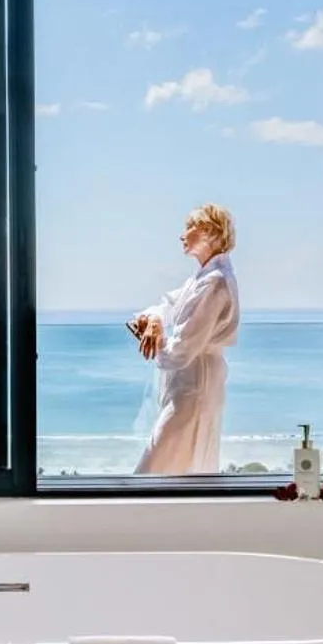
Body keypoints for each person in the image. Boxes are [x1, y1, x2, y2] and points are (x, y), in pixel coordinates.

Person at [131, 204, 240, 476]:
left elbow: (179, 351)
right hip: (188, 386)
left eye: (188, 227)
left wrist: (155, 341)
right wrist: (154, 321)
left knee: (152, 471)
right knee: (177, 473)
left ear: (208, 232)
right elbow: (166, 304)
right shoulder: (201, 279)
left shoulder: (214, 284)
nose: (182, 235)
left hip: (194, 390)